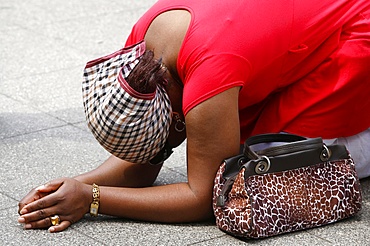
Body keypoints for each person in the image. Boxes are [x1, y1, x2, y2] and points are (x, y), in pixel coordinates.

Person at [18, 0, 370, 233]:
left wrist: (92, 199)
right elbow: (139, 163)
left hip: (354, 33)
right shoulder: (142, 51)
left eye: (162, 147)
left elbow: (205, 198)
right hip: (303, 26)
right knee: (237, 146)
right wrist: (68, 188)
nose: (162, 155)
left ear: (175, 119)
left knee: (271, 170)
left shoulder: (209, 75)